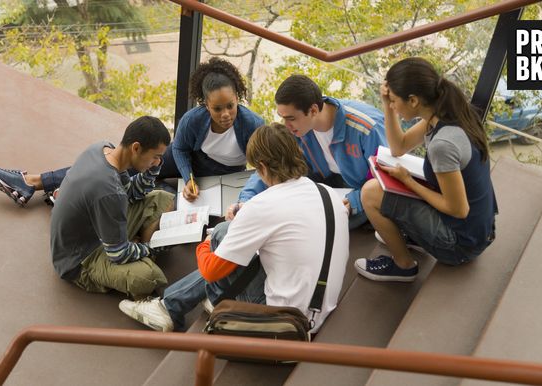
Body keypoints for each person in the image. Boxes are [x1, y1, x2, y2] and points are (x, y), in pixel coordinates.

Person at [118, 123, 349, 333]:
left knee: (221, 233)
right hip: (319, 310)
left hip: (280, 320)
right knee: (242, 247)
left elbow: (210, 271)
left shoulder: (264, 205)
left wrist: (208, 242)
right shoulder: (326, 193)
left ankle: (187, 305)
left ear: (262, 167)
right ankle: (168, 306)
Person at [0, 57, 264, 206]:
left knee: (158, 193)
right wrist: (188, 176)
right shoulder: (194, 119)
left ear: (238, 97)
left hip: (221, 179)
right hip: (189, 164)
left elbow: (263, 164)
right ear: (205, 105)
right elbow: (178, 148)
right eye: (217, 109)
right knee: (122, 163)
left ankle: (64, 194)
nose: (226, 114)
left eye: (231, 105)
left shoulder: (252, 125)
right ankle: (33, 182)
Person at [354, 57, 497, 282]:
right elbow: (399, 147)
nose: (392, 105)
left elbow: (458, 209)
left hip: (460, 245)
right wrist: (387, 107)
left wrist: (408, 181)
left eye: (393, 100)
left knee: (370, 192)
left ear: (412, 100)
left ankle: (403, 267)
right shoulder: (449, 114)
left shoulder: (443, 144)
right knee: (392, 181)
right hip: (478, 229)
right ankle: (414, 234)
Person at [226, 74, 387, 230]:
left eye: (291, 118)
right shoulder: (298, 129)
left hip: (360, 194)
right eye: (283, 118)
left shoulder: (367, 128)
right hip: (325, 191)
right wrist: (245, 202)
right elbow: (269, 163)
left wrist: (356, 200)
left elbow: (386, 180)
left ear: (314, 110)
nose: (286, 125)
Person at [51, 116, 175, 298]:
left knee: (162, 198)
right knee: (151, 277)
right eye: (156, 157)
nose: (158, 162)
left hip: (97, 230)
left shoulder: (102, 149)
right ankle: (139, 255)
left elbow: (132, 193)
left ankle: (134, 249)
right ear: (136, 148)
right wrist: (150, 248)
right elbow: (118, 254)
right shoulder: (110, 192)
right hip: (79, 259)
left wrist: (153, 168)